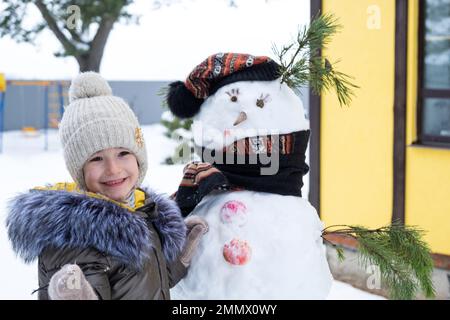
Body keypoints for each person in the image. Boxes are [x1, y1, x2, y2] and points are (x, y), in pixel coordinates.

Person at [6, 72, 207, 300]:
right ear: (78, 169)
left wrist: (177, 259)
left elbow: (145, 283)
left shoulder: (141, 210)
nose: (113, 169)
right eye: (96, 158)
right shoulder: (74, 239)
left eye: (123, 153)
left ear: (139, 157)